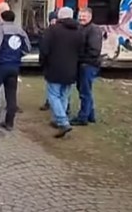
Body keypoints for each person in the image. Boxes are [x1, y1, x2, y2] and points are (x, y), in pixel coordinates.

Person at [0, 10, 30, 131]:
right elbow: (27, 48)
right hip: (14, 66)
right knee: (11, 94)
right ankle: (9, 123)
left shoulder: (0, 29)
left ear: (2, 19)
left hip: (0, 65)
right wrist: (17, 56)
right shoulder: (20, 31)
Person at [39, 7, 82, 138]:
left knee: (53, 95)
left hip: (54, 68)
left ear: (59, 16)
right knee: (64, 95)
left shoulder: (52, 30)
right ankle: (58, 120)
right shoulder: (79, 31)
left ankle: (63, 122)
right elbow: (81, 51)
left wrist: (42, 63)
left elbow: (44, 49)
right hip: (71, 69)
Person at [71, 7, 103, 126]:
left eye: (84, 16)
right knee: (85, 90)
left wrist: (79, 57)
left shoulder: (94, 30)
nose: (81, 18)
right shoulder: (81, 28)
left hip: (88, 65)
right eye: (80, 16)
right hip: (83, 64)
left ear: (90, 17)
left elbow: (94, 51)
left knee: (85, 91)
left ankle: (83, 117)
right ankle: (90, 115)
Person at [39, 9, 58, 112]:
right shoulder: (47, 32)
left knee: (55, 87)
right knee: (52, 85)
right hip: (51, 63)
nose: (54, 22)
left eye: (56, 19)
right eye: (52, 20)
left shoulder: (49, 32)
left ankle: (59, 112)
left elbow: (44, 49)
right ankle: (49, 102)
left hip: (54, 62)